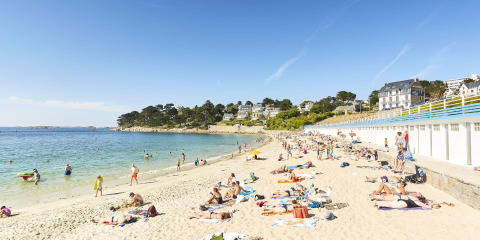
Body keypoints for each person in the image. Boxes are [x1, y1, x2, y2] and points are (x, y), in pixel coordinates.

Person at [374, 195, 441, 209]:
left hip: (402, 200)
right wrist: (430, 203)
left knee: (391, 203)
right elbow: (428, 207)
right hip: (404, 203)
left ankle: (378, 203)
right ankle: (379, 204)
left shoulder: (415, 199)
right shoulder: (419, 203)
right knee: (392, 205)